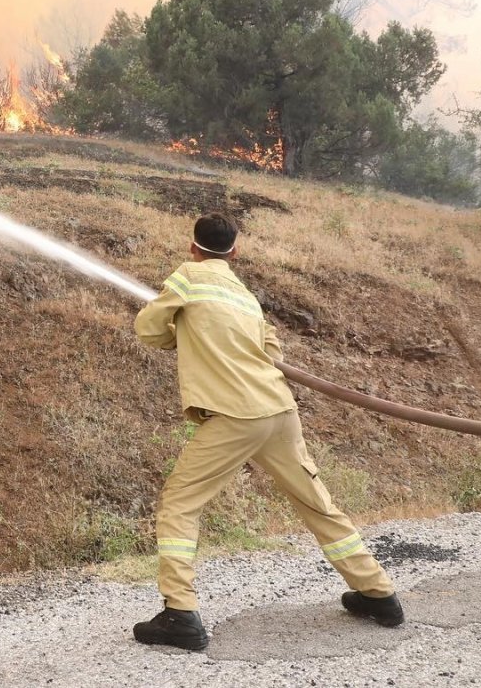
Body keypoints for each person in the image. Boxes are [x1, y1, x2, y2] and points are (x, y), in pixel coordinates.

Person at [131, 212, 402, 652]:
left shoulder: (187, 277)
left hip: (235, 416)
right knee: (318, 503)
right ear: (235, 252)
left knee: (179, 505)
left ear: (192, 247)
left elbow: (148, 330)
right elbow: (271, 348)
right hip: (278, 410)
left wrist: (179, 332)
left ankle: (180, 614)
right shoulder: (244, 294)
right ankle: (378, 594)